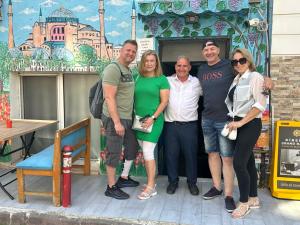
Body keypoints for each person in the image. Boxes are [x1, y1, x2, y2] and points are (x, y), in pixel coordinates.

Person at [197, 40, 273, 212]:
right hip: (213, 119)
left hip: (230, 121)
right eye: (206, 50)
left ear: (218, 50)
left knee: (230, 159)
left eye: (212, 48)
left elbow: (256, 82)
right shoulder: (205, 71)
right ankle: (219, 188)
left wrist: (267, 80)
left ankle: (232, 196)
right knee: (215, 155)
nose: (238, 64)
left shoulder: (229, 66)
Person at [225, 48, 267, 219]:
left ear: (248, 61)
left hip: (249, 124)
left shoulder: (255, 77)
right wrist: (234, 121)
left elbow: (260, 104)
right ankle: (253, 198)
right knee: (248, 162)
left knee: (239, 163)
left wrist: (241, 122)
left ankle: (244, 203)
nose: (238, 64)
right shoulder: (237, 79)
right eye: (234, 62)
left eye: (241, 60)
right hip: (238, 124)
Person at [102, 40, 140, 200]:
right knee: (114, 151)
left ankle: (123, 178)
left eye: (133, 52)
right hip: (114, 118)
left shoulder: (128, 70)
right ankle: (111, 187)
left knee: (132, 146)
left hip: (127, 117)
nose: (130, 54)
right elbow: (109, 97)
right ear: (121, 50)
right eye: (128, 50)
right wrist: (116, 122)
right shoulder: (113, 68)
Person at [134, 50, 170, 200]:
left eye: (152, 61)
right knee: (144, 151)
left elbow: (164, 102)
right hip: (139, 120)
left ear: (156, 63)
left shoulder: (162, 79)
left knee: (148, 151)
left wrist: (153, 118)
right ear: (143, 62)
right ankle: (151, 182)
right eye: (146, 60)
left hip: (154, 121)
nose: (149, 63)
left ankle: (150, 187)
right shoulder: (138, 78)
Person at [164, 56, 202, 195]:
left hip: (189, 126)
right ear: (175, 67)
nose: (181, 68)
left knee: (191, 155)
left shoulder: (197, 82)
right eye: (179, 65)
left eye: (184, 66)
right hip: (171, 125)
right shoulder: (167, 81)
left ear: (189, 67)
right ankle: (173, 182)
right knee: (171, 155)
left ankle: (192, 183)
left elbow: (211, 91)